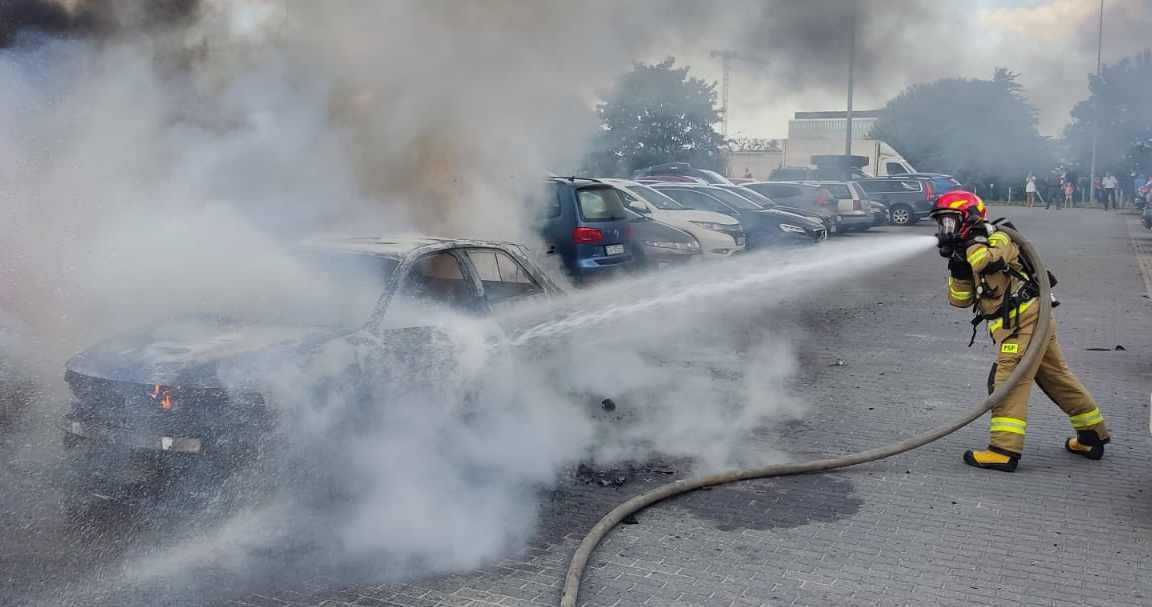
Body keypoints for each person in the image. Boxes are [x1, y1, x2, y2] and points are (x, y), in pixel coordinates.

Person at [931, 191, 1111, 472]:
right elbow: (960, 300)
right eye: (941, 224)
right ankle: (1091, 436)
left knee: (1008, 382)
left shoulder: (1000, 237)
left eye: (950, 222)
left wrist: (974, 240)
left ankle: (1003, 450)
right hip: (1027, 322)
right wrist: (957, 269)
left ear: (971, 217)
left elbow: (986, 262)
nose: (945, 230)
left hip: (1023, 322)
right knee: (1057, 378)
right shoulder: (968, 249)